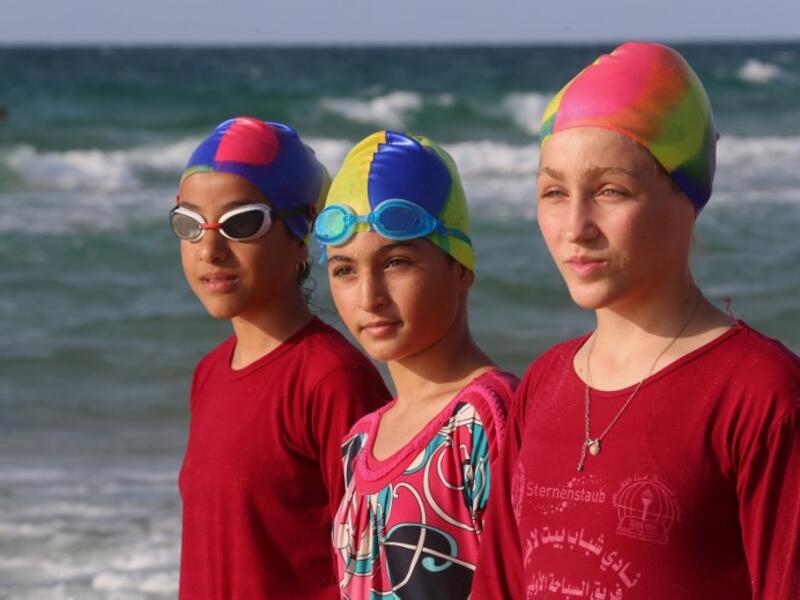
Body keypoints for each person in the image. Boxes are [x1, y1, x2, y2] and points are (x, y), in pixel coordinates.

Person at [473, 42, 800, 599]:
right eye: (554, 192)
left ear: (687, 196)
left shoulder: (760, 393)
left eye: (610, 191)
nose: (575, 226)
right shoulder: (543, 384)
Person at [172, 117, 391, 599]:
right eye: (189, 224)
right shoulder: (209, 373)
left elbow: (375, 566)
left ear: (301, 236)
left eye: (241, 222)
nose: (210, 249)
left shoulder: (332, 379)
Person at [314, 130, 519, 598]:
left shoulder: (485, 422)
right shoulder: (360, 442)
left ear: (460, 267)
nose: (369, 298)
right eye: (344, 270)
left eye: (396, 262)